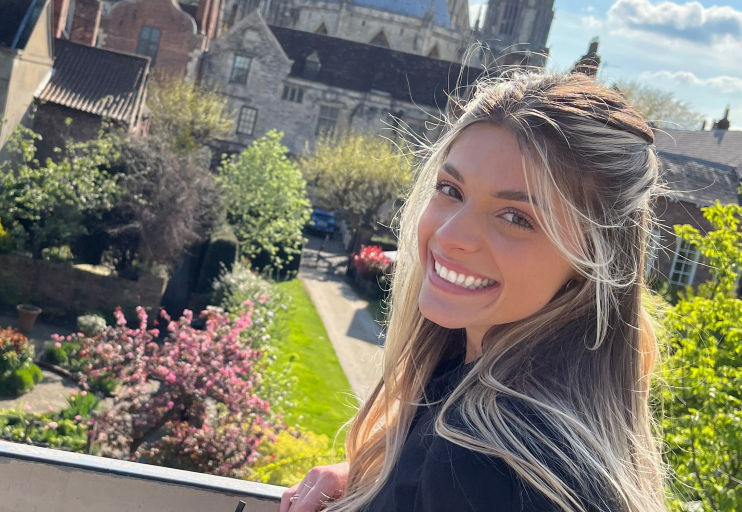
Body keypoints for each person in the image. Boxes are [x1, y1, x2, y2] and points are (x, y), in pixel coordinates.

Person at [281, 71, 667, 512]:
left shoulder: (484, 462)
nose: (450, 235)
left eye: (516, 217)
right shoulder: (478, 401)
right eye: (451, 190)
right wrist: (379, 483)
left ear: (590, 260)